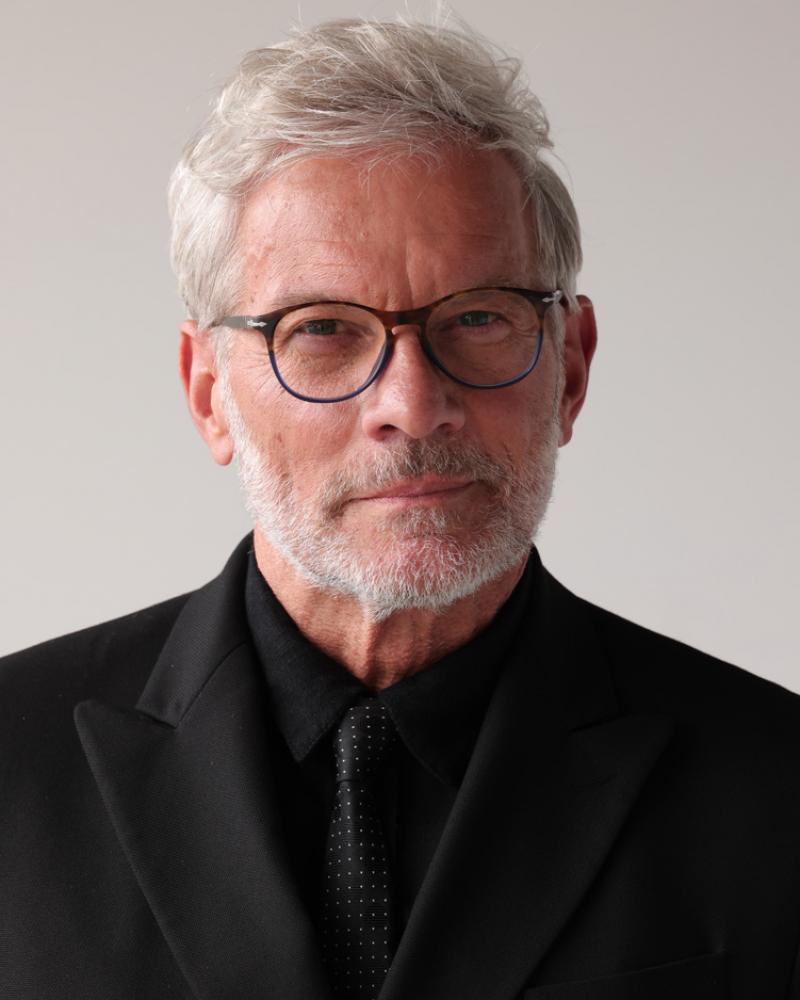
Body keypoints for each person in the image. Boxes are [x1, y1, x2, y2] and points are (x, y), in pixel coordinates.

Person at [1, 15, 799, 1000]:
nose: (412, 405)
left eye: (478, 316)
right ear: (208, 393)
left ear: (572, 367)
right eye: (321, 329)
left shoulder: (777, 789)